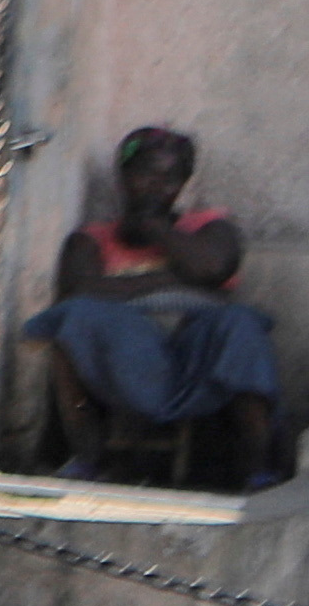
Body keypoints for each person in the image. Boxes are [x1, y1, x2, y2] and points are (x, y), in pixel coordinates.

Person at [29, 126, 283, 487]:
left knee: (241, 327)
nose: (156, 186)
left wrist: (158, 231)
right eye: (145, 173)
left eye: (170, 178)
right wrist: (169, 280)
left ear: (183, 184)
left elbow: (212, 267)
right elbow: (81, 293)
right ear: (124, 176)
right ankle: (88, 457)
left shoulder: (210, 227)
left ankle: (257, 466)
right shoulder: (90, 239)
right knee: (75, 321)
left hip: (200, 352)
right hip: (128, 359)